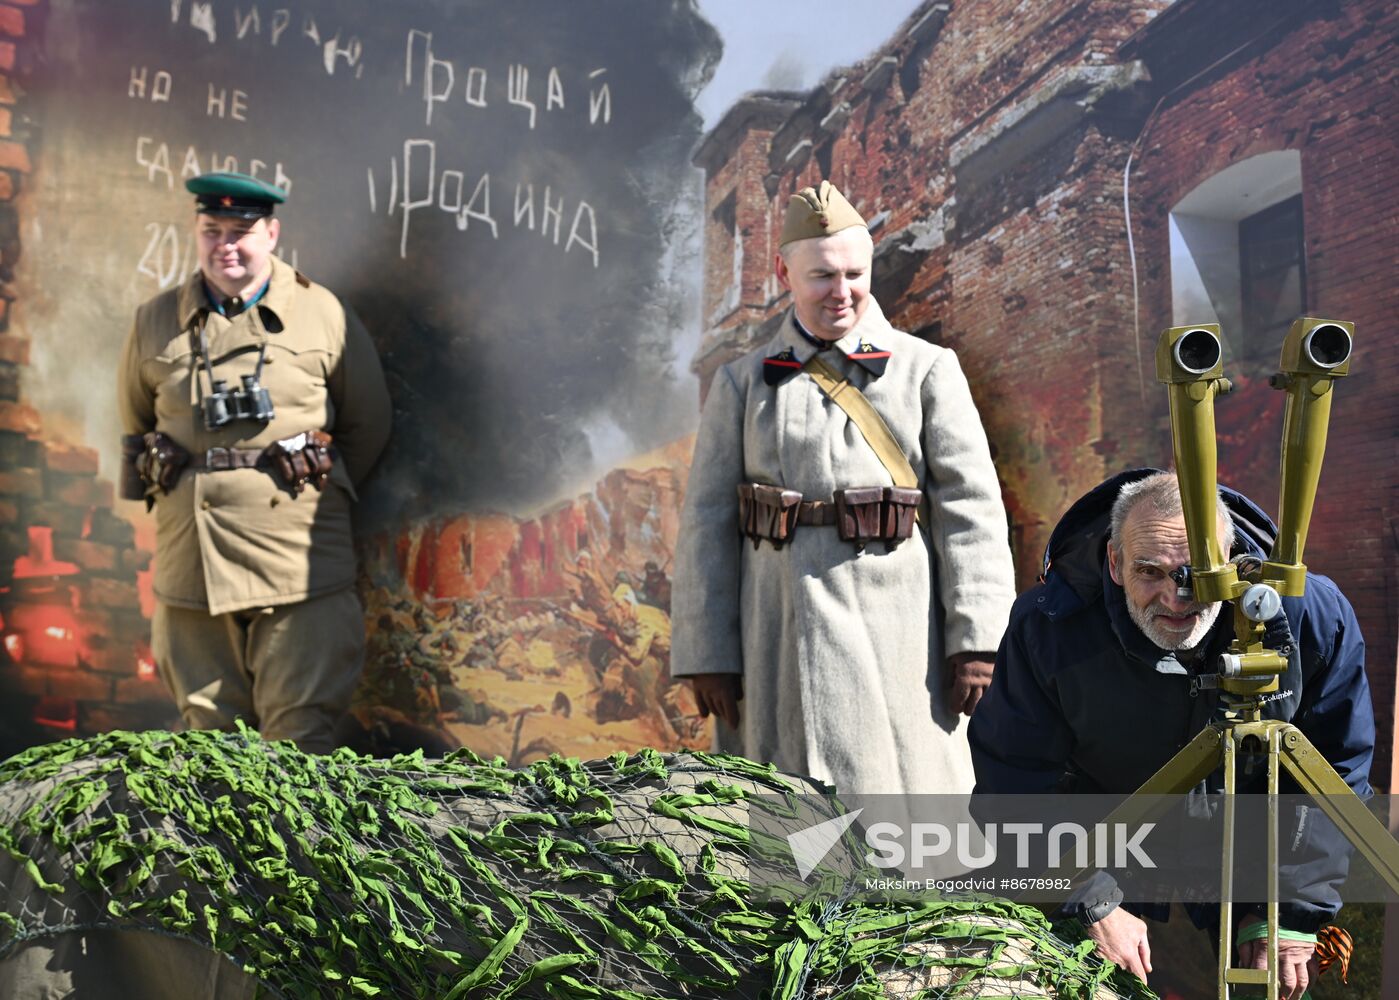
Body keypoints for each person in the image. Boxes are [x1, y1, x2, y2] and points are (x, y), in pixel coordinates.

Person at [969, 470, 1373, 999]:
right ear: (1113, 563)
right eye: (1149, 572)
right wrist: (1087, 898)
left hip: (1254, 848)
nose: (1175, 597)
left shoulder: (1309, 618)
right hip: (1103, 841)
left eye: (1192, 573)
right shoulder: (1051, 628)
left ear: (1229, 561)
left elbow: (1337, 772)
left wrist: (1290, 910)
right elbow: (1012, 785)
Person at [671, 180, 1016, 796]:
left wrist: (977, 639)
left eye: (855, 273)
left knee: (901, 810)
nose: (843, 292)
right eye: (822, 276)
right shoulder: (742, 385)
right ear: (784, 271)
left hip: (896, 629)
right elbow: (706, 524)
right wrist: (707, 652)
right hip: (773, 631)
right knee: (783, 817)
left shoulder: (925, 370)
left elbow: (972, 512)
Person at [118, 171, 392, 753]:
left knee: (299, 746)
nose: (226, 245)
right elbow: (136, 428)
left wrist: (319, 489)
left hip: (297, 565)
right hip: (193, 567)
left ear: (271, 233)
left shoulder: (323, 314)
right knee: (208, 746)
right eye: (211, 230)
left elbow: (368, 427)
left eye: (241, 231)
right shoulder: (155, 321)